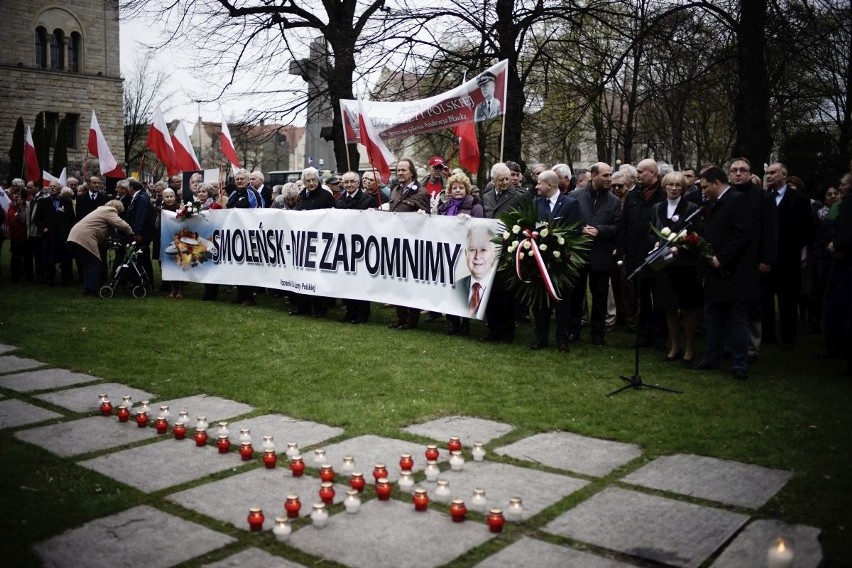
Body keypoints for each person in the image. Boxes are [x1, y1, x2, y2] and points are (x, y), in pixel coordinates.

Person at [692, 167, 759, 381]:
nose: (703, 192)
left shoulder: (738, 200)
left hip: (734, 272)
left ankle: (739, 363)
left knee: (737, 320)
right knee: (714, 318)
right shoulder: (713, 203)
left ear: (716, 183)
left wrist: (722, 258)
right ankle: (711, 358)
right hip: (714, 272)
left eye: (705, 187)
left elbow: (742, 234)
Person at [728, 157, 778, 363]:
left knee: (753, 305)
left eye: (743, 170)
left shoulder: (763, 197)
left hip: (755, 258)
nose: (738, 173)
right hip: (730, 259)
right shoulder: (726, 195)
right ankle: (732, 345)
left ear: (750, 174)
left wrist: (766, 259)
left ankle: (751, 348)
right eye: (734, 170)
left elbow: (771, 231)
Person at [762, 163, 816, 350]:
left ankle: (788, 337)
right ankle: (768, 334)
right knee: (766, 297)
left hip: (788, 257)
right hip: (766, 258)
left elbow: (808, 228)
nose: (769, 176)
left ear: (784, 175)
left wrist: (793, 247)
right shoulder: (765, 198)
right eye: (767, 173)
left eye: (773, 172)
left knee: (787, 300)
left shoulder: (799, 199)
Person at [651, 172, 703, 365]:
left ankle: (689, 348)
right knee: (669, 307)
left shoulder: (691, 208)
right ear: (664, 186)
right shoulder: (658, 208)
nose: (673, 188)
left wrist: (680, 246)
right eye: (670, 185)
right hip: (664, 264)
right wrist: (656, 243)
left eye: (678, 185)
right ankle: (674, 346)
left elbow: (697, 236)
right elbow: (651, 231)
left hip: (685, 265)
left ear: (683, 188)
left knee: (686, 309)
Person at [567, 162, 620, 346]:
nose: (609, 179)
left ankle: (598, 334)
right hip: (579, 254)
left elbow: (618, 227)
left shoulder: (614, 201)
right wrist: (580, 230)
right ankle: (573, 330)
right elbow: (567, 222)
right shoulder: (575, 196)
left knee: (600, 296)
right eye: (605, 175)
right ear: (594, 175)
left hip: (601, 255)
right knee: (576, 295)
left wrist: (599, 230)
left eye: (610, 175)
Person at [529, 170, 581, 352]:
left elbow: (575, 231)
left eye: (539, 183)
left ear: (550, 185)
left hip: (561, 262)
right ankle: (541, 337)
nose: (536, 186)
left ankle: (562, 339)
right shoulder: (536, 204)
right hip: (540, 261)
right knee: (540, 302)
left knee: (562, 303)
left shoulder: (570, 204)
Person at [618, 158, 666, 348]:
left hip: (656, 253)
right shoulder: (634, 195)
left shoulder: (662, 195)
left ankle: (660, 335)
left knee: (659, 295)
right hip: (635, 254)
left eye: (641, 172)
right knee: (641, 297)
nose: (637, 175)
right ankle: (643, 334)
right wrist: (622, 250)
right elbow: (625, 223)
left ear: (653, 173)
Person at [481, 163, 526, 343]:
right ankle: (493, 329)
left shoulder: (519, 197)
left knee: (506, 293)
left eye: (508, 178)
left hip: (509, 249)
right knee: (491, 292)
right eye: (501, 180)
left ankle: (507, 332)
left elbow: (524, 221)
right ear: (493, 180)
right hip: (489, 249)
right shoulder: (486, 197)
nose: (506, 182)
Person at [438, 173, 485, 335]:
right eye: (454, 187)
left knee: (463, 289)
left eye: (461, 187)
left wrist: (469, 221)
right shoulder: (444, 206)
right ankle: (452, 323)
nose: (458, 190)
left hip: (466, 254)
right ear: (450, 190)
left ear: (467, 189)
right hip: (447, 253)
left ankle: (465, 323)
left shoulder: (475, 206)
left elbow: (480, 229)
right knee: (448, 288)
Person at [387, 158, 431, 330]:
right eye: (398, 170)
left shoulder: (421, 192)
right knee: (397, 281)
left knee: (411, 283)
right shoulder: (395, 190)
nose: (400, 173)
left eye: (403, 170)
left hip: (412, 244)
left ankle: (412, 319)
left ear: (411, 172)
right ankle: (401, 316)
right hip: (395, 242)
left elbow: (426, 218)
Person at [66, 200, 135, 296]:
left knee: (87, 264)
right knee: (95, 264)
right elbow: (122, 225)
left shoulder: (100, 210)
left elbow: (100, 231)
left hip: (75, 236)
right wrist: (131, 233)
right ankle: (93, 288)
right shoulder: (109, 211)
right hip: (85, 238)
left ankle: (87, 288)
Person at [335, 171, 375, 324]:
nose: (349, 185)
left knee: (361, 281)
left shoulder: (368, 201)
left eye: (352, 181)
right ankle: (350, 310)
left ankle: (362, 313)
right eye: (346, 182)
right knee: (346, 280)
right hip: (344, 245)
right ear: (343, 184)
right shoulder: (338, 201)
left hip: (362, 246)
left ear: (358, 183)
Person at [33, 180, 76, 286]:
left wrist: (70, 232)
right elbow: (37, 218)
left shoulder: (66, 202)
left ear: (59, 189)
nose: (51, 188)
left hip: (63, 236)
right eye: (50, 186)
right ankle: (49, 280)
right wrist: (43, 228)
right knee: (49, 259)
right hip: (49, 236)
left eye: (54, 186)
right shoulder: (43, 202)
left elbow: (72, 219)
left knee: (65, 259)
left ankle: (67, 280)